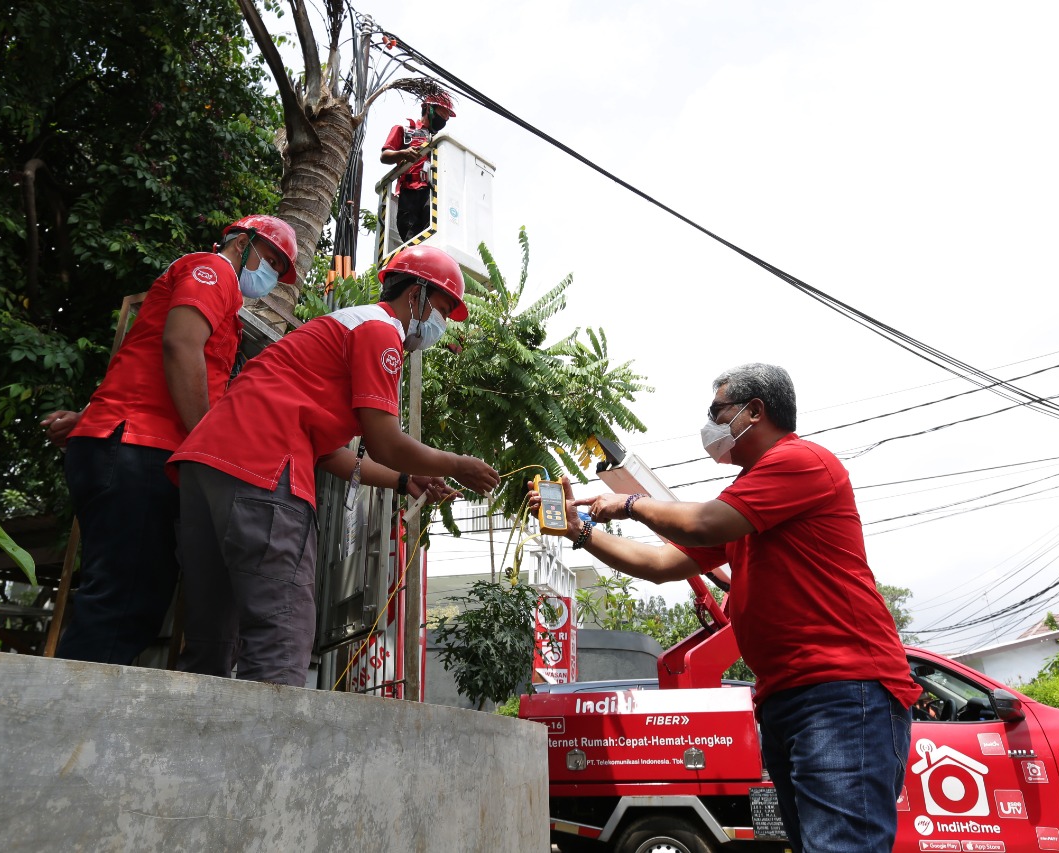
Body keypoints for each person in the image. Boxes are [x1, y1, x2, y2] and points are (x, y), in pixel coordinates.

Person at [530, 363, 917, 853]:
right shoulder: (748, 502)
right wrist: (578, 531)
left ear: (755, 412)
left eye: (718, 411)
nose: (709, 425)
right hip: (789, 696)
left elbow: (700, 525)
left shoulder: (799, 461)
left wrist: (626, 503)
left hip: (840, 689)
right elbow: (659, 563)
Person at [168, 244, 499, 687]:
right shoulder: (381, 331)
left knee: (211, 642)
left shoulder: (338, 329)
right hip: (264, 471)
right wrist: (458, 464)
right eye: (440, 309)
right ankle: (270, 755)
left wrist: (406, 480)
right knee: (280, 643)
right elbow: (384, 442)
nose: (438, 324)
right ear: (417, 294)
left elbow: (329, 454)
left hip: (207, 465)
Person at [40, 215, 299, 664]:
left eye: (280, 267)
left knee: (128, 594)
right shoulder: (214, 270)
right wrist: (205, 447)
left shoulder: (222, 299)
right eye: (271, 259)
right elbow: (180, 346)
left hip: (126, 442)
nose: (272, 274)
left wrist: (90, 416)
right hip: (138, 447)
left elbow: (144, 359)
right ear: (244, 243)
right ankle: (67, 726)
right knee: (122, 601)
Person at [381, 92, 455, 244]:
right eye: (442, 114)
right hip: (409, 191)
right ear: (429, 109)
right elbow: (385, 156)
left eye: (447, 118)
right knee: (411, 235)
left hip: (431, 190)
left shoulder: (440, 141)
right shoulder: (405, 130)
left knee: (434, 233)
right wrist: (402, 153)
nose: (444, 121)